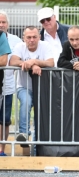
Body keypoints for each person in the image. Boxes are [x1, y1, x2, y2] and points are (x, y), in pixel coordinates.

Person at [9, 26, 55, 145]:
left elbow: (51, 63)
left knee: (40, 113)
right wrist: (27, 64)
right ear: (24, 38)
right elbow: (12, 61)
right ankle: (23, 134)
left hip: (42, 88)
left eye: (34, 37)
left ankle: (38, 140)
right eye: (28, 37)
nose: (32, 40)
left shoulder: (45, 46)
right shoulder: (20, 47)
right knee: (26, 102)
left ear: (39, 37)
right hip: (23, 86)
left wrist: (35, 62)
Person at [0, 10, 22, 156]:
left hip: (8, 86)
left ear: (8, 24)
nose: (1, 25)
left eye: (3, 22)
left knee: (5, 120)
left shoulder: (16, 40)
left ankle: (2, 149)